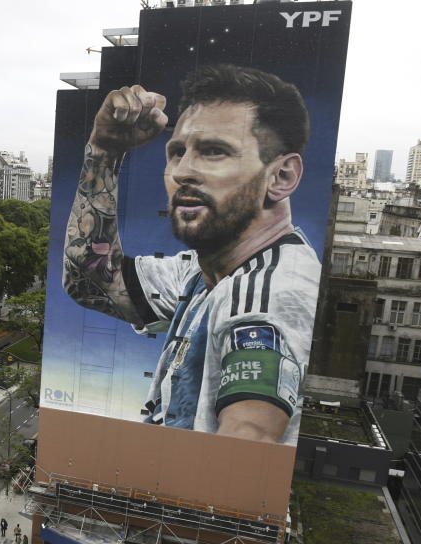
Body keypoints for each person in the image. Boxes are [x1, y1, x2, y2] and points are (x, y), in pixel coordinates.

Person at [62, 64, 317, 445]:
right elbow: (91, 278)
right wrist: (105, 149)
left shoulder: (267, 296)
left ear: (281, 177)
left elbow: (250, 437)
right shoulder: (205, 273)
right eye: (177, 152)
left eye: (214, 151)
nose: (183, 172)